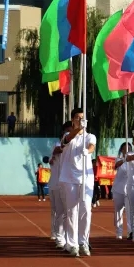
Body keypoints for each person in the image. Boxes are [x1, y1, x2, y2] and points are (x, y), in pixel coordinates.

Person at [58, 107, 96, 257]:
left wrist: (88, 151)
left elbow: (92, 146)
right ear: (73, 120)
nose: (81, 120)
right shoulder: (68, 135)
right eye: (78, 118)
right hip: (69, 178)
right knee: (72, 211)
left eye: (83, 118)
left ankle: (83, 242)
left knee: (86, 210)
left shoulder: (90, 136)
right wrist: (78, 129)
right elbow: (67, 140)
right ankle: (72, 244)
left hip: (86, 178)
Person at [50, 121, 71, 249]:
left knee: (70, 213)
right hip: (57, 183)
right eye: (67, 131)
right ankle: (59, 238)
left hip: (70, 182)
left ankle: (70, 238)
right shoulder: (58, 144)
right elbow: (57, 150)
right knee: (59, 212)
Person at [113, 142, 132, 240]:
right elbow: (116, 165)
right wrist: (125, 159)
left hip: (129, 190)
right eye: (125, 149)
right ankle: (119, 232)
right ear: (122, 150)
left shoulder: (133, 160)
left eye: (129, 148)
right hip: (118, 189)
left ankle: (130, 232)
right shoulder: (119, 159)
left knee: (130, 211)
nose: (127, 150)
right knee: (118, 211)